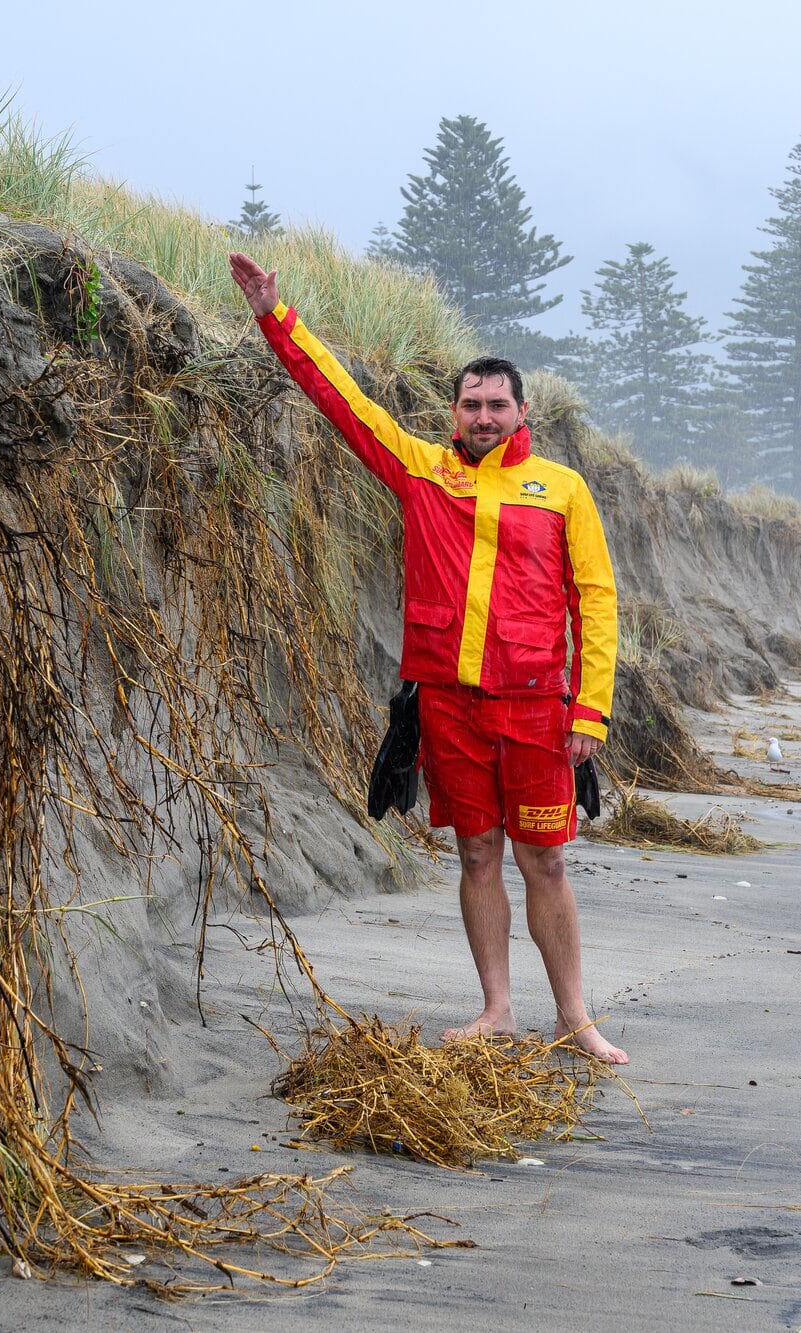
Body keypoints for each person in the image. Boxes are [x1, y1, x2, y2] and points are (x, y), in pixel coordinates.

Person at [228, 253, 627, 1064]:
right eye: (471, 404)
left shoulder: (563, 489)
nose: (483, 416)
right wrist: (276, 315)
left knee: (543, 858)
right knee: (477, 851)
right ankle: (497, 1008)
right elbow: (342, 402)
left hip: (534, 707)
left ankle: (576, 1017)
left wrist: (590, 709)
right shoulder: (422, 470)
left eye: (497, 405)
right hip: (447, 703)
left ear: (523, 415)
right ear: (454, 411)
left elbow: (598, 601)